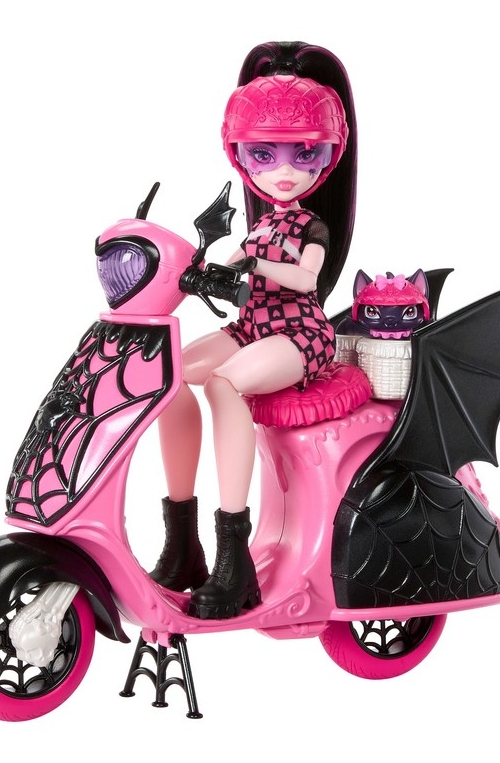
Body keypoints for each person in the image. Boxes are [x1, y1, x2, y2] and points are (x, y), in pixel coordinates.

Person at [150, 41, 358, 619]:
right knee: (166, 373)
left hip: (299, 335)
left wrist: (257, 265)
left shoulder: (311, 227)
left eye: (303, 155)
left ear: (326, 157)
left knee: (224, 385)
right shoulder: (256, 227)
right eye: (265, 155)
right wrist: (197, 273)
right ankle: (182, 542)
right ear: (242, 158)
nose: (285, 171)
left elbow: (307, 279)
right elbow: (230, 272)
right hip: (252, 325)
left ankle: (233, 555)